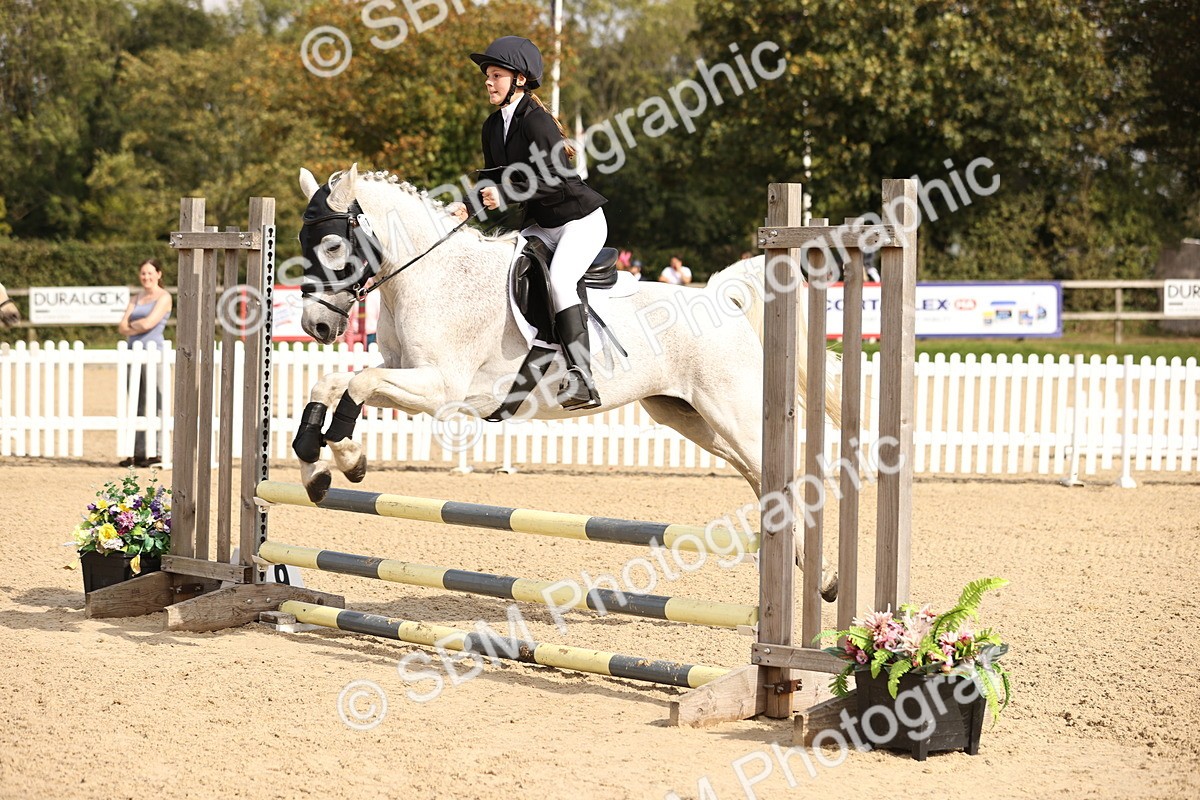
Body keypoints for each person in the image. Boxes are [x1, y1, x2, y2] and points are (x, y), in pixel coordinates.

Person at [467, 35, 608, 410]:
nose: (488, 81)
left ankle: (582, 378)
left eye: (496, 75)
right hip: (543, 224)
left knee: (561, 279)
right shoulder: (492, 127)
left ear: (520, 80)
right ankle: (537, 345)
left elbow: (555, 177)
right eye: (487, 75)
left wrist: (508, 195)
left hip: (580, 220)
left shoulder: (537, 120)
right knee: (504, 268)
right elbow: (490, 181)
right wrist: (465, 208)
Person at [116, 259, 172, 467]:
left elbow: (150, 322)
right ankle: (137, 451)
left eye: (150, 273)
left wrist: (133, 324)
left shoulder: (164, 297)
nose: (146, 277)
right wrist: (134, 326)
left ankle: (157, 451)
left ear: (159, 274)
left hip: (154, 354)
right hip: (133, 353)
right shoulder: (136, 297)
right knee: (135, 402)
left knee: (156, 400)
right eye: (143, 273)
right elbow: (122, 327)